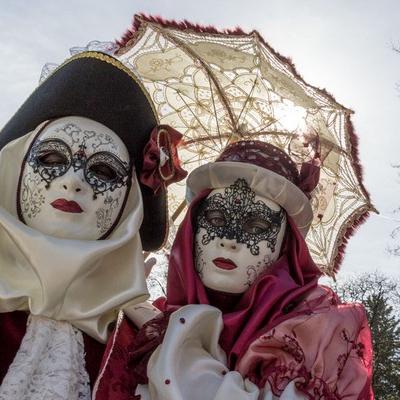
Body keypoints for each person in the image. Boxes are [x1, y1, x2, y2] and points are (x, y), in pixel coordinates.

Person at [94, 140, 373, 400]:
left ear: (286, 247)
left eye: (256, 227)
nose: (229, 240)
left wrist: (173, 338)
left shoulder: (315, 335)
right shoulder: (153, 316)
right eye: (215, 218)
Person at [0, 51, 185, 399]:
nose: (73, 182)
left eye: (103, 171)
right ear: (13, 171)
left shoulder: (150, 349)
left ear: (129, 206)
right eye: (51, 158)